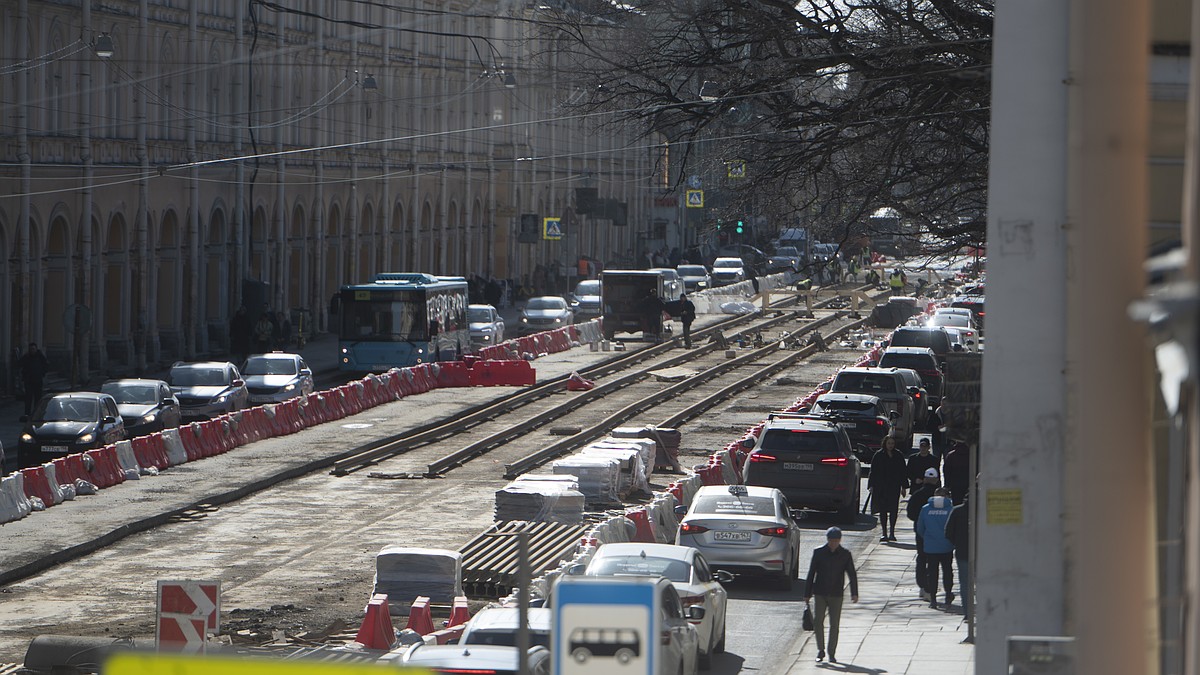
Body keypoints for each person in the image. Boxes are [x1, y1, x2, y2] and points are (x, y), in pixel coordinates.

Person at [803, 527, 859, 664]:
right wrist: (807, 593)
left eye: (836, 540)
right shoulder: (819, 553)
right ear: (827, 540)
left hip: (836, 594)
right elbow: (811, 574)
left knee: (834, 624)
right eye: (831, 540)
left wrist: (854, 593)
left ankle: (831, 653)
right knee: (818, 621)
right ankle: (820, 650)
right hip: (820, 592)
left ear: (840, 540)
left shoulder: (845, 554)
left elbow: (852, 574)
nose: (833, 543)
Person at [916, 487, 955, 609]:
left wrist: (928, 538)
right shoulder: (950, 509)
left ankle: (933, 598)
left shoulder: (925, 509)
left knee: (932, 573)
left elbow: (920, 528)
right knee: (947, 571)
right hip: (946, 546)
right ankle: (948, 594)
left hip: (930, 547)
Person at [907, 468, 941, 602]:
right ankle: (930, 587)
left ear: (925, 479)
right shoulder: (939, 497)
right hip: (936, 533)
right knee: (933, 561)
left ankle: (922, 586)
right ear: (937, 480)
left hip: (921, 532)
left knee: (921, 558)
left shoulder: (917, 495)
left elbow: (910, 513)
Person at [869, 435, 908, 542]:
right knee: (883, 510)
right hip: (881, 487)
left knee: (893, 510)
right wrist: (871, 485)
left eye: (892, 443)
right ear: (885, 443)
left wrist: (904, 487)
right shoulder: (878, 455)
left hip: (894, 487)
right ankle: (884, 533)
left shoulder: (898, 455)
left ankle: (892, 532)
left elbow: (903, 472)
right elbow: (873, 471)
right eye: (889, 443)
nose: (890, 445)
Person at [945, 494, 971, 620]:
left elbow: (948, 532)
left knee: (965, 583)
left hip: (962, 552)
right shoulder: (985, 510)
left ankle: (967, 612)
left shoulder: (957, 511)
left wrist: (957, 543)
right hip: (983, 553)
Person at [18, 343, 48, 416]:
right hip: (28, 381)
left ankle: (36, 413)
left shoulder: (40, 357)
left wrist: (42, 374)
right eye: (31, 349)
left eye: (33, 349)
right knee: (28, 398)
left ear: (36, 349)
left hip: (37, 380)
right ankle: (27, 414)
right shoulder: (26, 357)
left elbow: (46, 365)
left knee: (37, 398)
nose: (32, 350)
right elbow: (19, 364)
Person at [943, 441, 971, 505]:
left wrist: (947, 485)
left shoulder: (951, 455)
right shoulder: (972, 454)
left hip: (955, 485)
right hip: (969, 484)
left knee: (956, 504)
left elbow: (946, 471)